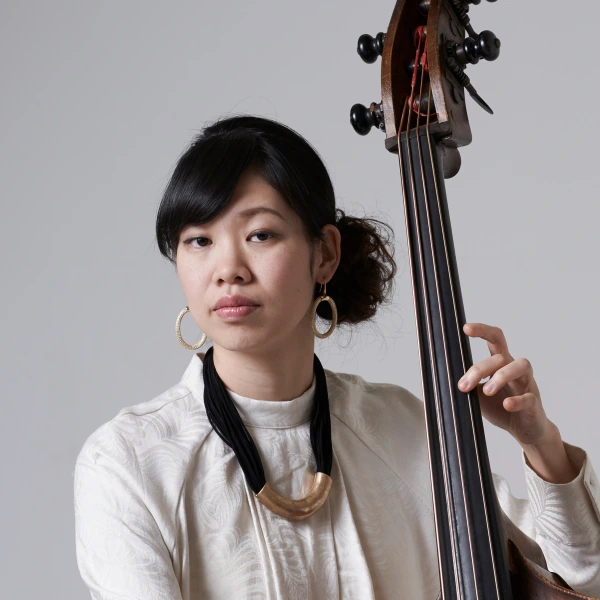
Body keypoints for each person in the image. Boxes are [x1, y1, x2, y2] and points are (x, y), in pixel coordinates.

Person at [74, 115, 600, 599]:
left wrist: (540, 443)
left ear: (324, 253)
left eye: (260, 234)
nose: (227, 268)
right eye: (198, 241)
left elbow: (582, 578)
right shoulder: (129, 462)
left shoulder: (404, 428)